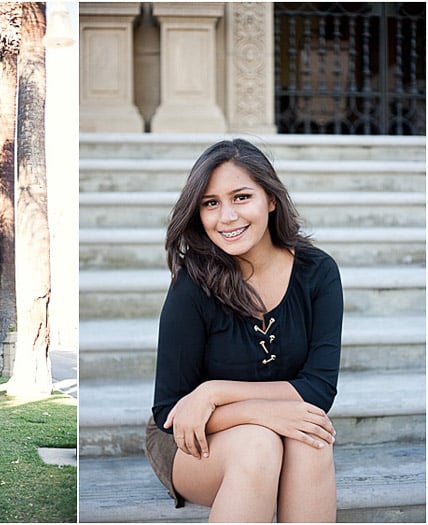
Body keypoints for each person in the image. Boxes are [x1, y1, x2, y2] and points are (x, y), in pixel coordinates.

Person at [145, 139, 343, 522]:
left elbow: (318, 390)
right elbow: (170, 411)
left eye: (241, 197)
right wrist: (263, 415)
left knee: (312, 440)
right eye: (210, 203)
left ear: (270, 199)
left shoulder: (317, 273)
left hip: (261, 422)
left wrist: (214, 392)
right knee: (258, 443)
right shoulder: (193, 284)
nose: (227, 217)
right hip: (193, 441)